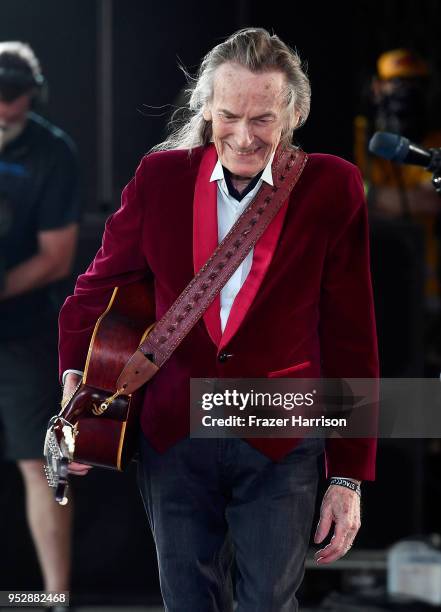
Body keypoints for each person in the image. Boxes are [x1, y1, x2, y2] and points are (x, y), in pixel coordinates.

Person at [60, 28, 378, 611]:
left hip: (282, 434)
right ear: (205, 108)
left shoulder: (333, 185)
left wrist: (348, 474)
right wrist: (76, 390)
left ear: (294, 112)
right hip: (173, 432)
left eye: (263, 118)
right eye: (229, 114)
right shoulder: (160, 179)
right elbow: (91, 294)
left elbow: (353, 334)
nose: (244, 135)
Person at [0, 42, 80, 594]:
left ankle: (53, 599)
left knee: (39, 462)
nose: (5, 107)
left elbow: (57, 256)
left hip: (23, 331)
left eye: (15, 97)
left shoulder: (53, 153)